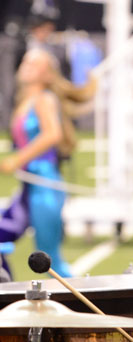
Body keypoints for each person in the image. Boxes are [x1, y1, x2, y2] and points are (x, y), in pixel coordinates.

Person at [0, 49, 94, 278]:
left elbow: (53, 134)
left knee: (50, 260)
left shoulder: (44, 99)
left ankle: (84, 303)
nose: (26, 65)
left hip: (45, 186)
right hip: (29, 186)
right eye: (25, 61)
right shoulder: (26, 100)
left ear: (47, 74)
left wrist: (17, 160)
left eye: (34, 63)